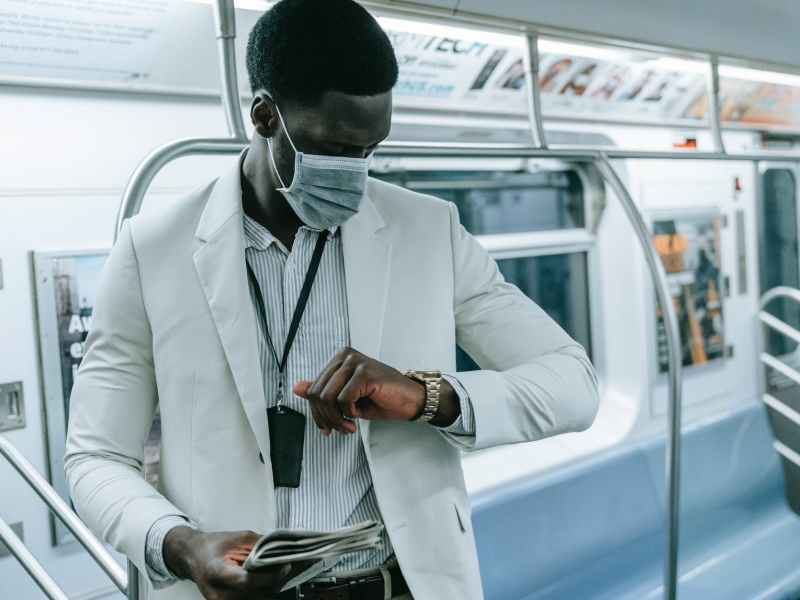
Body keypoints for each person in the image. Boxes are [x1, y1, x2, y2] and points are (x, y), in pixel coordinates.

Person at [64, 1, 599, 599]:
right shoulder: (152, 251)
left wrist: (427, 395)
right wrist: (180, 545)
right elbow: (95, 458)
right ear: (265, 116)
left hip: (398, 586)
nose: (356, 172)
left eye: (371, 149)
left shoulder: (429, 232)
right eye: (334, 149)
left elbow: (573, 384)